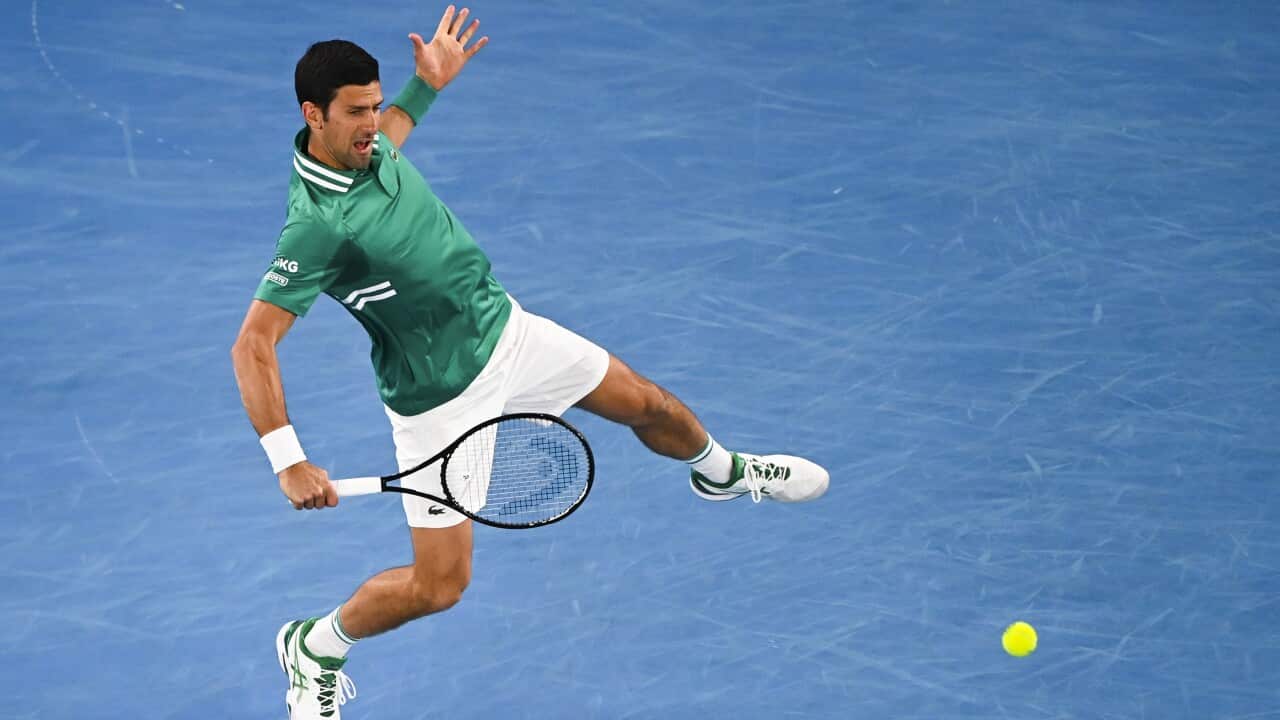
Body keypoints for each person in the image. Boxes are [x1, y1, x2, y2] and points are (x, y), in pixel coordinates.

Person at [230, 7, 829, 718]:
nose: (373, 123)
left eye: (374, 104)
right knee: (440, 586)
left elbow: (391, 135)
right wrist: (288, 460)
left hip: (506, 330)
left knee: (648, 403)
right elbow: (253, 344)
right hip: (441, 398)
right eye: (357, 112)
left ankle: (722, 473)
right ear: (313, 115)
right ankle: (316, 646)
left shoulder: (364, 147)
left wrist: (425, 87)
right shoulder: (316, 227)